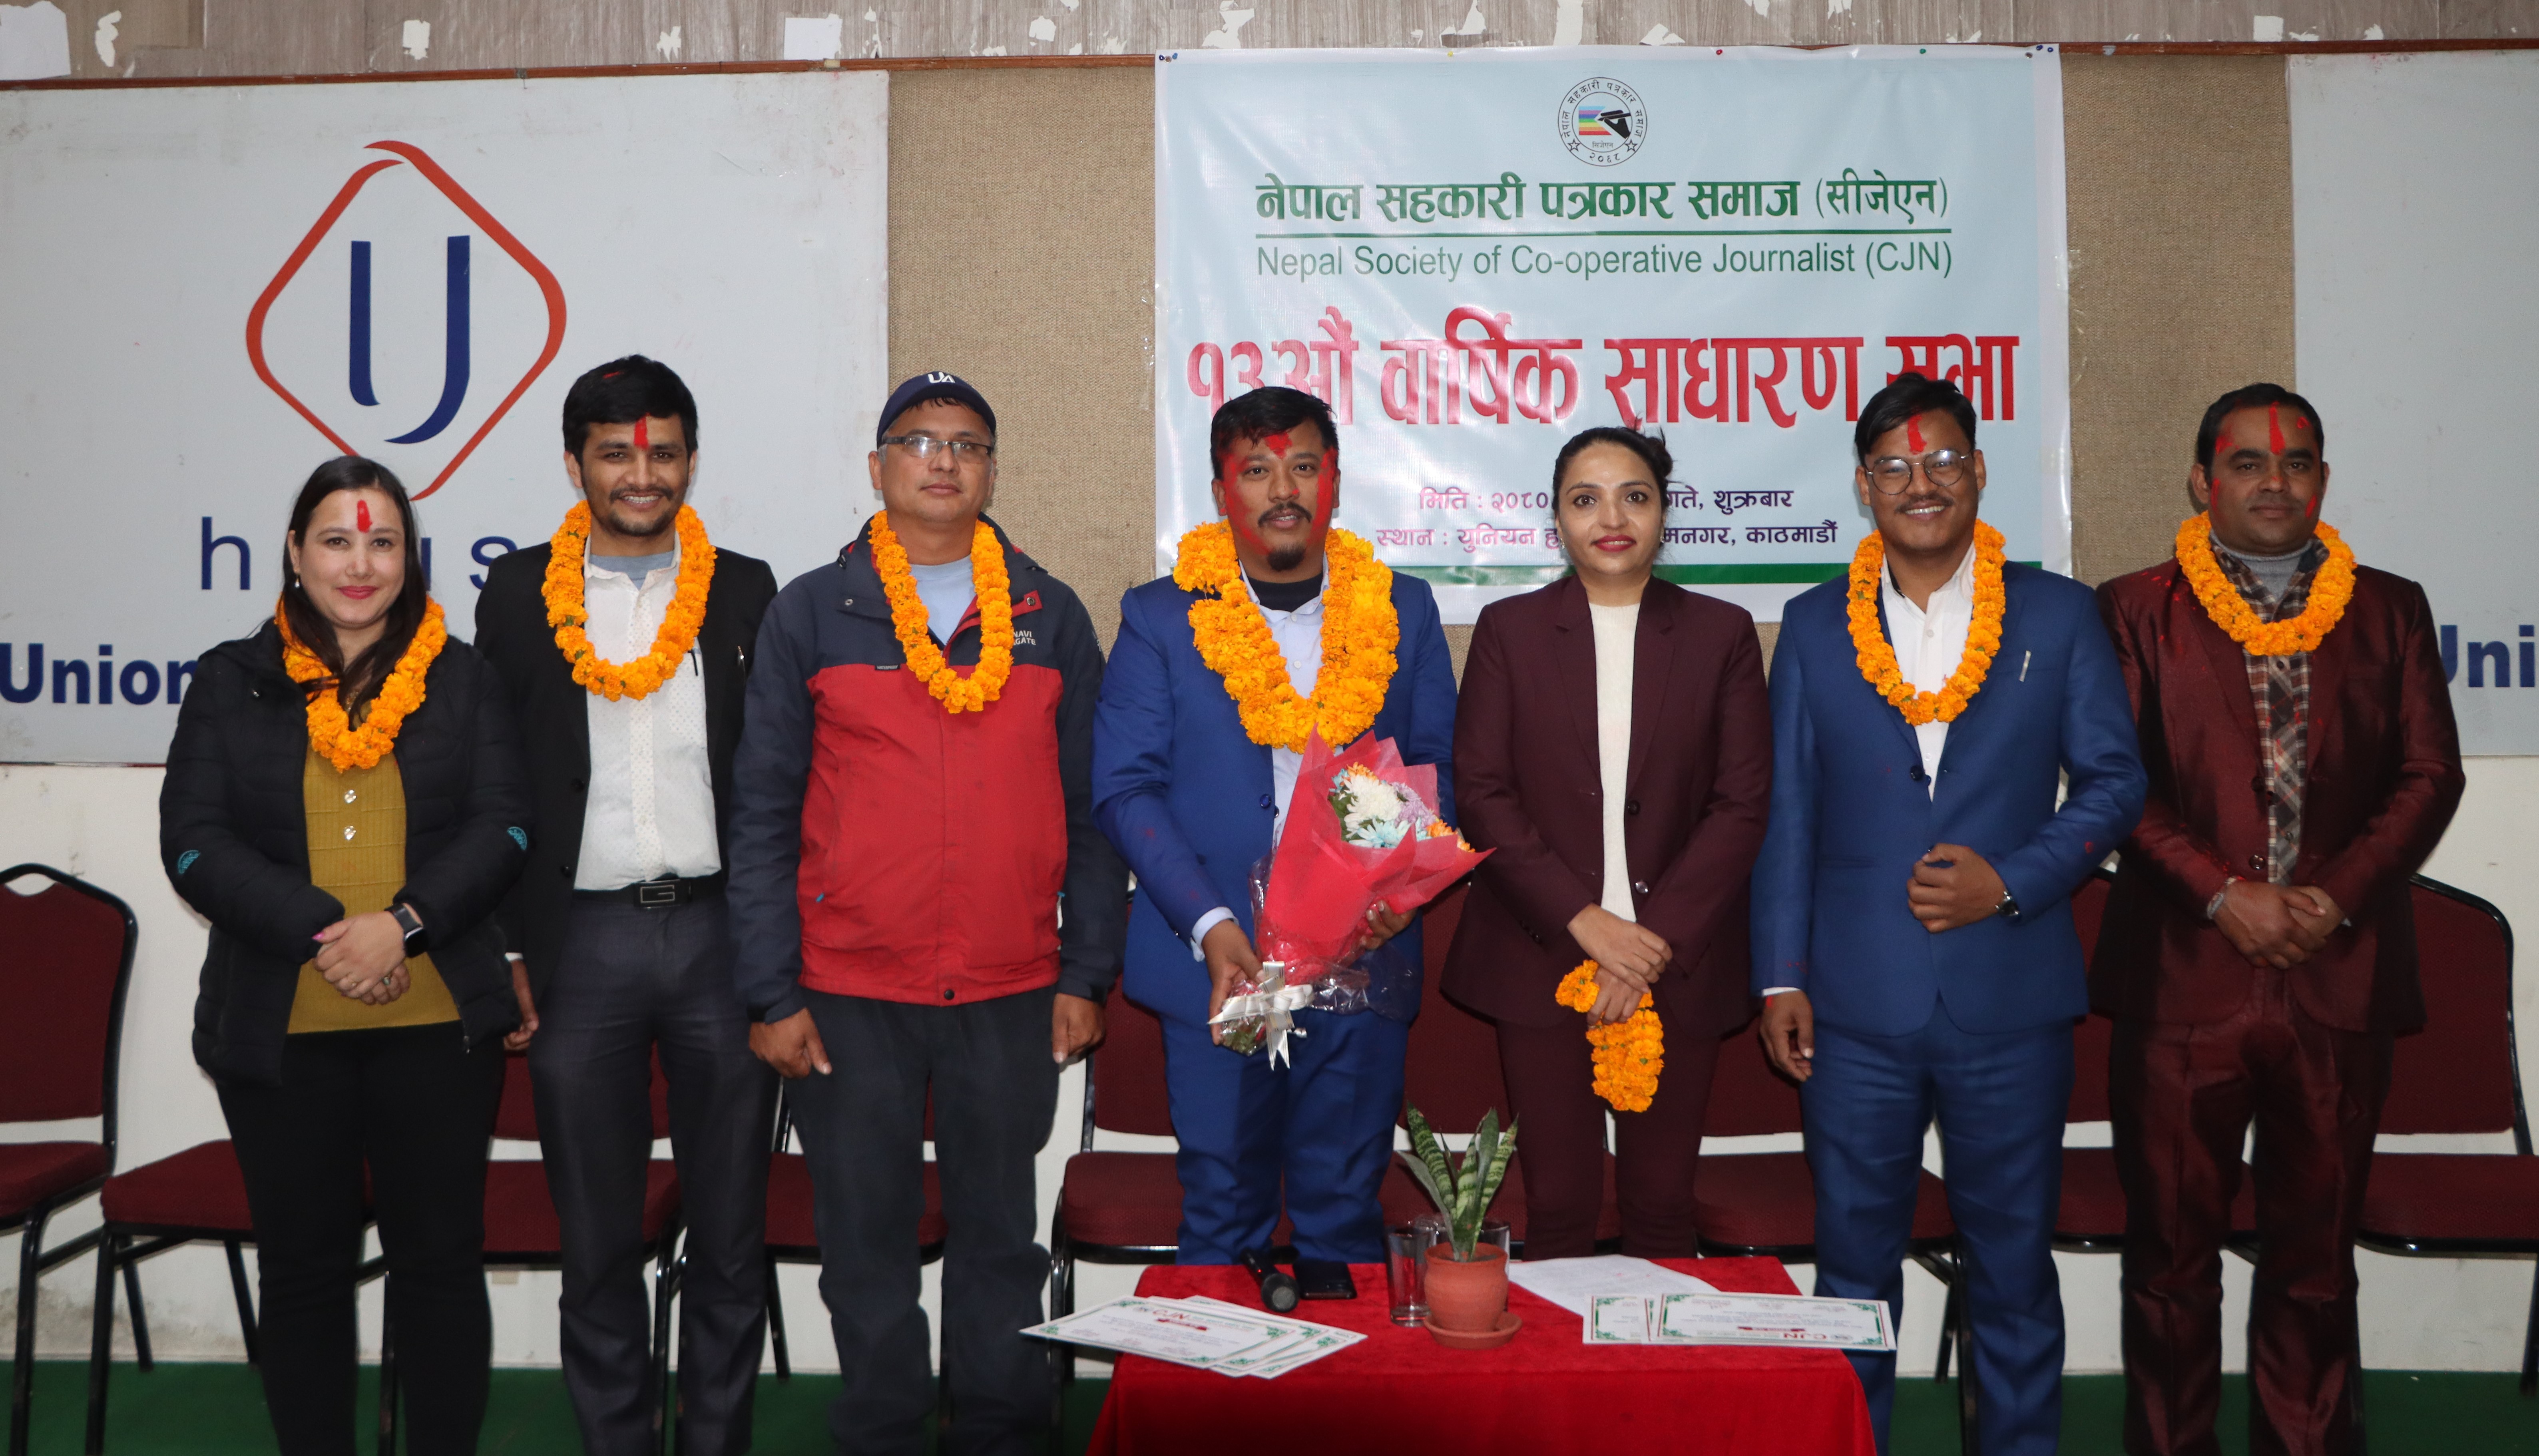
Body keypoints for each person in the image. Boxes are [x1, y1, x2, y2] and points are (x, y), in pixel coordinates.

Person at [729, 371, 1125, 1456]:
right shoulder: (812, 610)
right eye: (918, 440)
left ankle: (999, 1430)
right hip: (847, 989)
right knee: (867, 1243)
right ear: (878, 467)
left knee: (1000, 1237)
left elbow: (1093, 813)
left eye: (967, 444)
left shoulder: (1049, 614)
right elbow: (761, 813)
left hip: (1010, 985)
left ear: (992, 471)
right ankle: (884, 1431)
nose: (943, 460)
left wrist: (1086, 971)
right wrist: (769, 990)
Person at [1750, 373, 2147, 1455]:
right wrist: (1780, 975)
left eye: (1939, 461)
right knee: (1852, 1274)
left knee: (2011, 1266)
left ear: (1976, 470)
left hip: (2009, 995)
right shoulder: (1813, 625)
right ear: (1864, 486)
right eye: (1893, 466)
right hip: (1851, 1008)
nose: (1918, 482)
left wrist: (2011, 880)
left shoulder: (2057, 613)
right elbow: (1789, 815)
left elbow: (2115, 783)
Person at [2093, 384, 2463, 1456]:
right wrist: (2222, 891)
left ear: (2323, 480)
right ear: (2201, 480)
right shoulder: (2132, 608)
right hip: (2182, 980)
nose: (2273, 481)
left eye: (2295, 462)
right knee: (2169, 1263)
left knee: (2316, 1263)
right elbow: (2114, 783)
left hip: (2337, 978)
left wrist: (2333, 897)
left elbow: (2429, 774)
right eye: (2246, 463)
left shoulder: (2390, 607)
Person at [159, 457, 530, 1456]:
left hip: (439, 1027)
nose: (360, 565)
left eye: (382, 542)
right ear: (295, 551)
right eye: (336, 540)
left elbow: (504, 828)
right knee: (304, 1273)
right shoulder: (230, 680)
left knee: (438, 1267)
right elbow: (192, 840)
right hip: (280, 1032)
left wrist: (402, 925)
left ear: (411, 557)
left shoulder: (462, 677)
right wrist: (328, 932)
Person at [473, 357, 780, 1456]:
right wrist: (505, 944)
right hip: (580, 945)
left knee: (731, 1236)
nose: (640, 475)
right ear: (576, 465)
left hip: (721, 937)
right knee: (598, 1237)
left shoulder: (745, 590)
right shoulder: (519, 594)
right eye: (614, 453)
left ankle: (715, 1441)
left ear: (691, 461)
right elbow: (494, 780)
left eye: (661, 453)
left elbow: (777, 782)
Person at [1092, 384, 1459, 1275]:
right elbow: (1126, 790)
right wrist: (1213, 925)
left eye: (1303, 467)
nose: (1283, 490)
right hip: (1223, 967)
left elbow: (1438, 767)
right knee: (1224, 1213)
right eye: (1257, 470)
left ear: (1334, 480)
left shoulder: (1402, 608)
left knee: (1344, 1217)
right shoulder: (1162, 617)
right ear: (1222, 489)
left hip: (1360, 960)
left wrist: (1385, 889)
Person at [1443, 426, 1772, 1259]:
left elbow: (1741, 803)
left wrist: (1646, 947)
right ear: (1557, 519)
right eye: (1585, 500)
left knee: (1662, 1206)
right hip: (1543, 952)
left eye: (1635, 497)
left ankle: (1657, 1355)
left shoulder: (1721, 633)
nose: (1612, 519)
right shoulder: (1510, 630)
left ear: (1664, 512)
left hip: (1677, 959)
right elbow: (1481, 793)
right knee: (1558, 1206)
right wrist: (1587, 923)